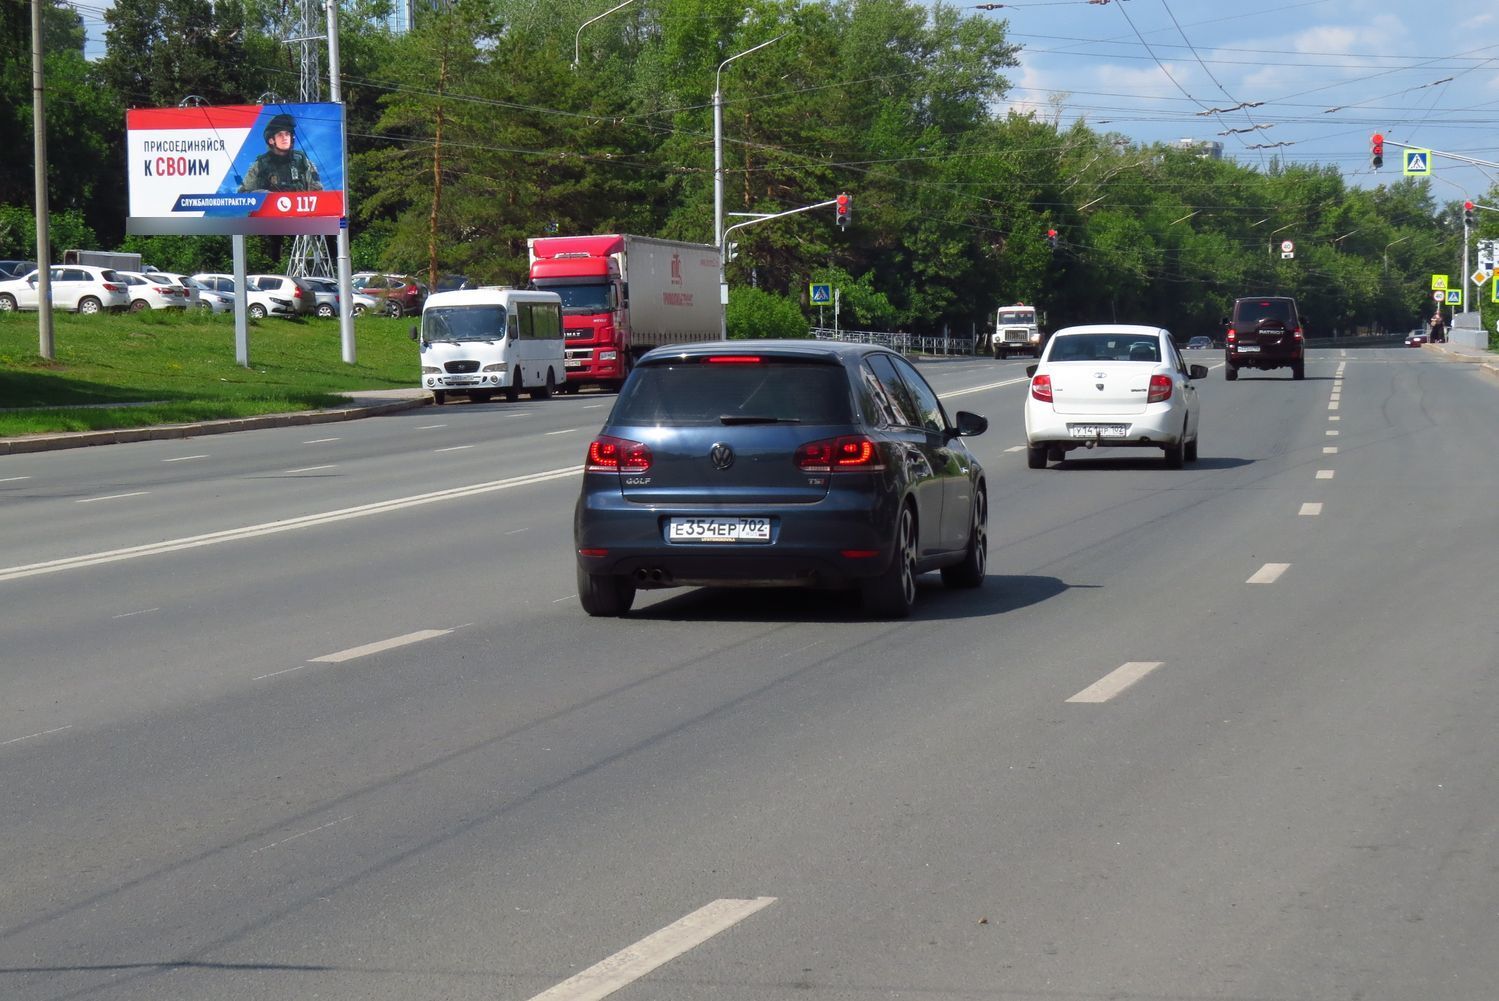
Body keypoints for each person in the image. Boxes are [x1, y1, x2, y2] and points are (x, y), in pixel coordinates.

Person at [239, 113, 322, 193]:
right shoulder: (259, 165)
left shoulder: (303, 161)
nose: (284, 138)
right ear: (271, 140)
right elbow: (242, 194)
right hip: (269, 206)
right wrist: (262, 195)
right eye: (280, 135)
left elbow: (318, 192)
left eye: (287, 134)